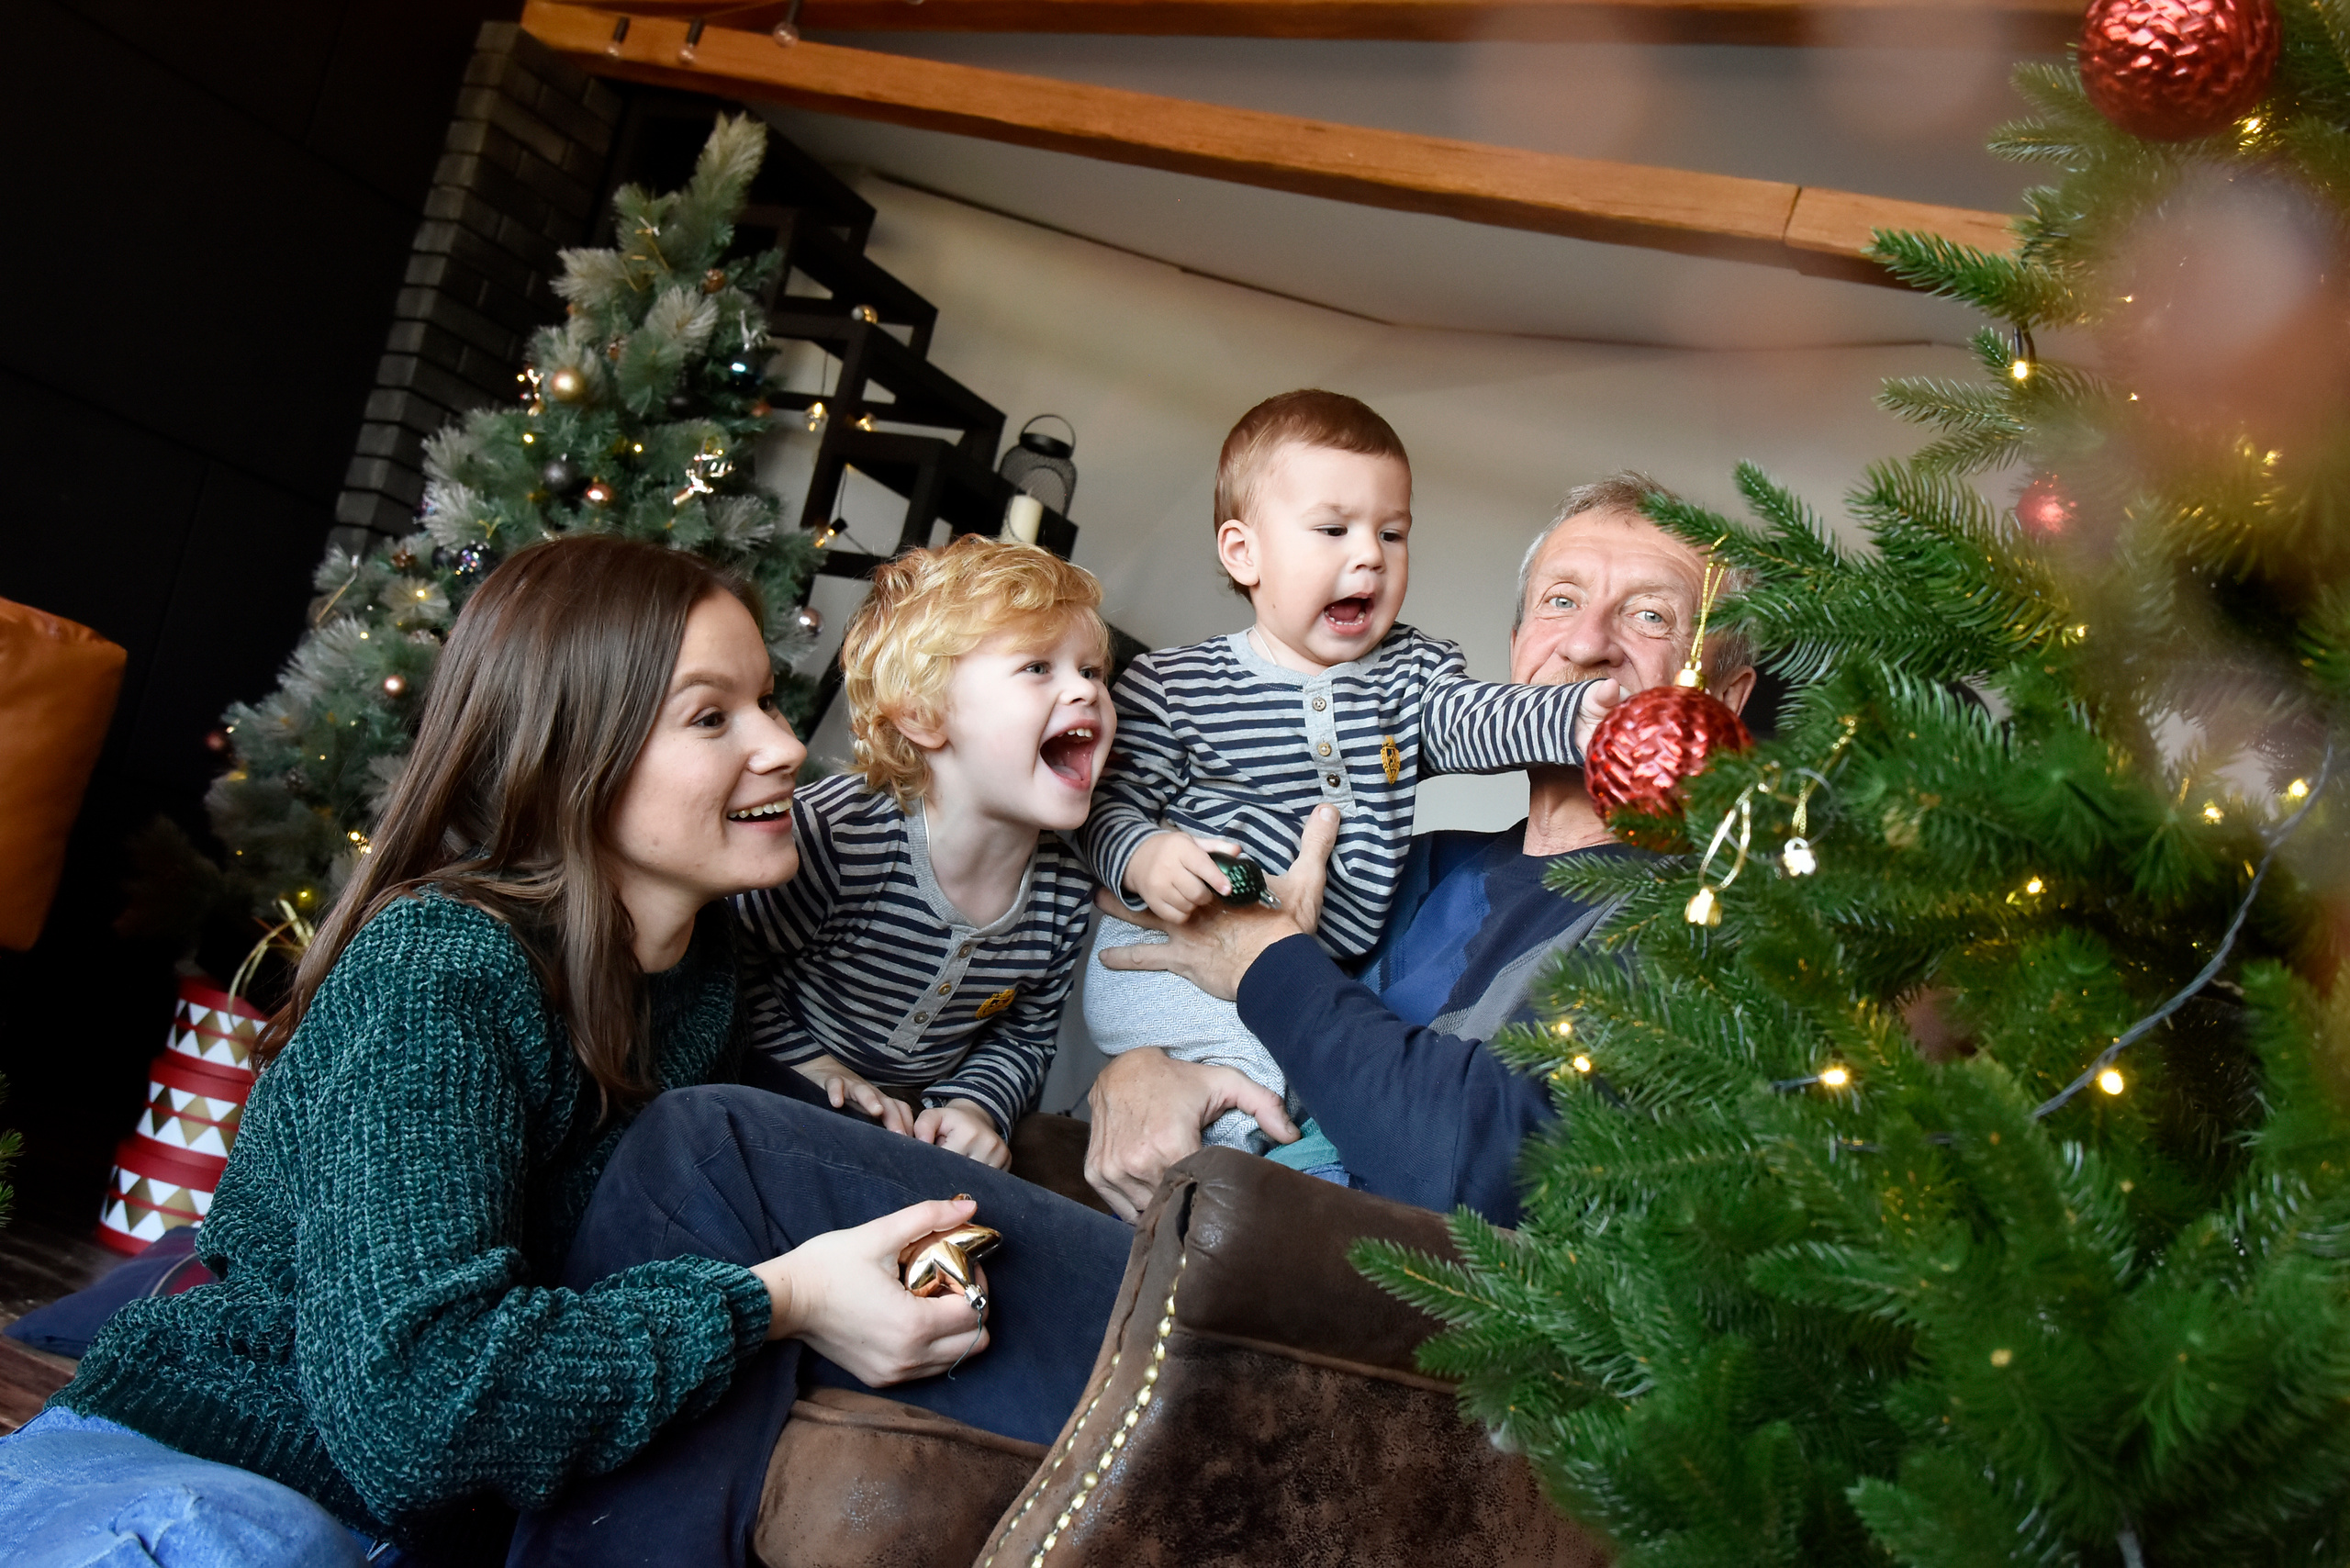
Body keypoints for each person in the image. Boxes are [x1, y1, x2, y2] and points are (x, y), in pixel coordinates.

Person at [0, 536, 1132, 1568]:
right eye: (711, 718)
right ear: (574, 753)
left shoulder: (700, 980)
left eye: (770, 703)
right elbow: (419, 1412)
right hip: (210, 1474)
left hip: (430, 1528)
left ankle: (1193, 1357)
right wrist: (773, 1301)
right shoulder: (443, 969)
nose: (787, 746)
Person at [1081, 474, 1757, 1226]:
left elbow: (1488, 1168)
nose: (1588, 644)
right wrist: (1146, 1068)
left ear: (1725, 699)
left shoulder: (1713, 919)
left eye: (1651, 616)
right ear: (1517, 653)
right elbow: (1250, 1040)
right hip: (1206, 1253)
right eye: (1560, 601)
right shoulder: (1398, 867)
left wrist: (1261, 960)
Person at [1075, 391, 1622, 1176]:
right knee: (1274, 1092)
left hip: (1302, 963)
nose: (1369, 555)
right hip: (1165, 950)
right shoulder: (1174, 685)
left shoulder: (1414, 674)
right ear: (1243, 553)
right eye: (1333, 530)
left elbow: (1474, 718)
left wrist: (1572, 718)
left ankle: (1252, 1183)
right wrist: (1145, 856)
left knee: (1319, 1070)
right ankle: (1252, 1175)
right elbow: (1103, 809)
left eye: (1392, 533)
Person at [732, 536, 1111, 1168]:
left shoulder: (1064, 892)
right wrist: (809, 1062)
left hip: (914, 1117)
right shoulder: (844, 832)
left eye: (1093, 670)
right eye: (1039, 667)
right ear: (925, 716)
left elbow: (1022, 1036)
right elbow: (730, 958)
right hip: (773, 1078)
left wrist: (973, 1107)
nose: (1085, 691)